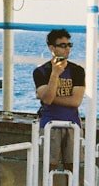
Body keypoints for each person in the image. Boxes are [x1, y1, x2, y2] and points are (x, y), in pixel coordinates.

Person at [33, 28, 86, 176]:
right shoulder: (42, 71)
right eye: (63, 45)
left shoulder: (77, 71)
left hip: (72, 124)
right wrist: (55, 75)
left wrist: (44, 97)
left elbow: (75, 101)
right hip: (49, 124)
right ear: (52, 47)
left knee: (74, 168)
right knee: (48, 168)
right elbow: (48, 99)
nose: (67, 48)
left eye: (69, 45)